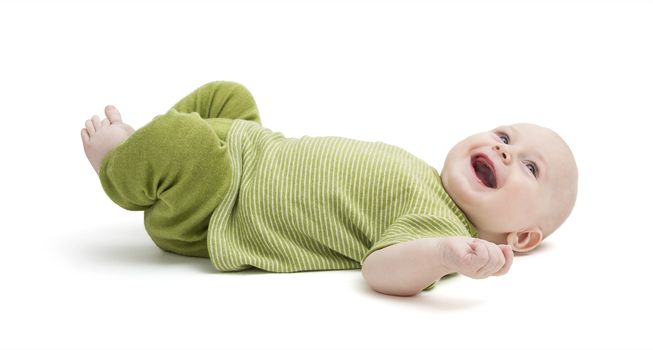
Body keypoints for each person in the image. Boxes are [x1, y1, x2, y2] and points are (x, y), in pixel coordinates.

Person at [81, 81, 578, 297]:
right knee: (229, 96)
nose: (506, 150)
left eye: (530, 168)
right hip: (250, 150)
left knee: (185, 140)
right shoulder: (429, 182)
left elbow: (380, 270)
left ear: (522, 238)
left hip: (221, 206)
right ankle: (154, 157)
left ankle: (122, 165)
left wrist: (448, 255)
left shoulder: (441, 228)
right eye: (504, 136)